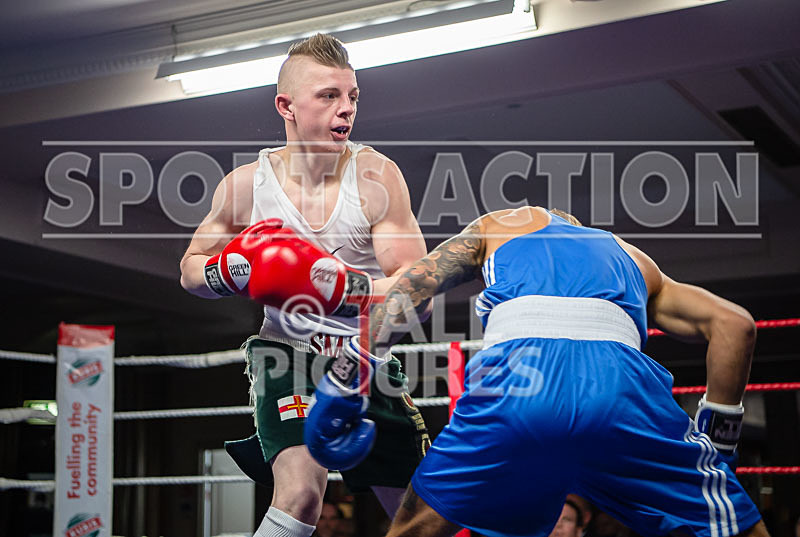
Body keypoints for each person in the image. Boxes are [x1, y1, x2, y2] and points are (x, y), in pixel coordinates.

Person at [306, 205, 769, 537]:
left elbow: (412, 288)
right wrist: (717, 443)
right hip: (622, 398)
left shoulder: (503, 225)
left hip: (517, 387)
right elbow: (736, 325)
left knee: (415, 526)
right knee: (732, 527)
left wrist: (348, 372)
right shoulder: (634, 259)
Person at [179, 33, 430, 537]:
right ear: (285, 106)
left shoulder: (377, 177)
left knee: (420, 513)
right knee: (300, 493)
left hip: (366, 358)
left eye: (353, 96)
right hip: (286, 355)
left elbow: (419, 290)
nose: (346, 109)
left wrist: (342, 288)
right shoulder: (248, 186)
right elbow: (190, 270)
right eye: (329, 96)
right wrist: (231, 270)